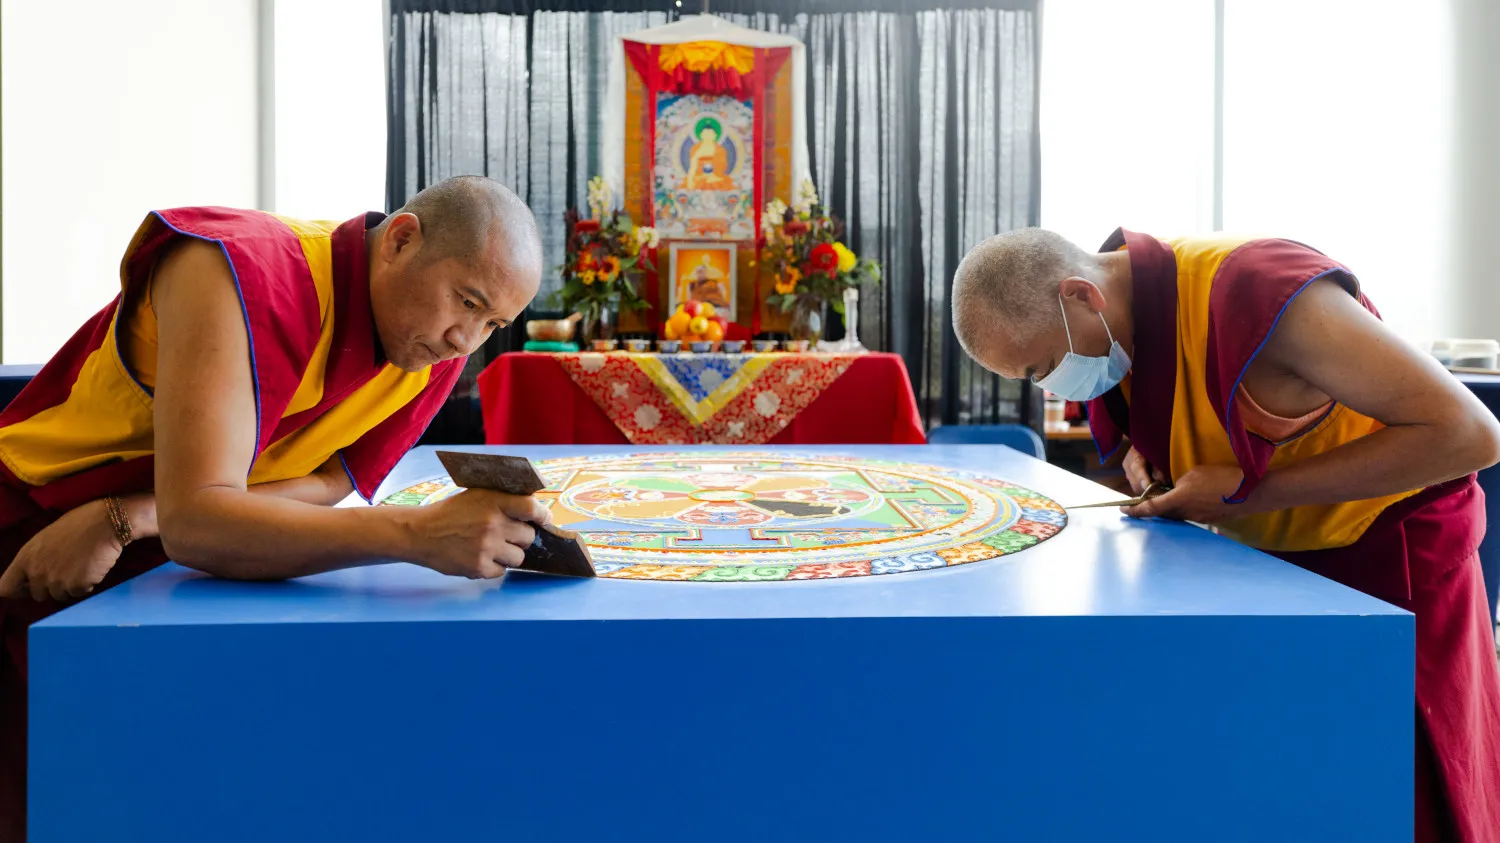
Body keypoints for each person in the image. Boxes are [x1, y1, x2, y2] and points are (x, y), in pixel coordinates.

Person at [0, 175, 550, 839]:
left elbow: (326, 478)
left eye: (493, 324)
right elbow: (200, 522)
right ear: (400, 240)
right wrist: (416, 531)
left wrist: (134, 515)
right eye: (467, 301)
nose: (467, 340)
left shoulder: (425, 352)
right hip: (30, 514)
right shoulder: (235, 270)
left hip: (158, 549)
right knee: (56, 791)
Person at [952, 227, 1500, 841]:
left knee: (1403, 793)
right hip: (1271, 571)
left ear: (1082, 295)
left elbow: (1471, 434)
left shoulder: (1260, 293)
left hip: (1390, 567)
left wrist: (1248, 491)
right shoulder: (1126, 322)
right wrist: (1146, 456)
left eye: (1045, 366)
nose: (1051, 387)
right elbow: (1185, 417)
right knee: (1306, 794)